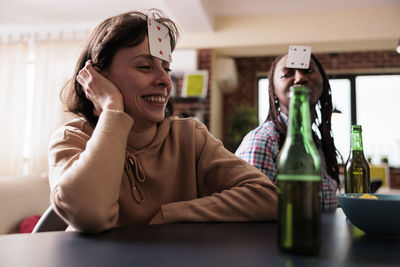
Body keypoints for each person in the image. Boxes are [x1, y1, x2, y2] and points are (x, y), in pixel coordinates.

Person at [48, 10, 277, 233]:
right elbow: (89, 215)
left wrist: (172, 215)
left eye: (166, 68)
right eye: (145, 67)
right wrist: (112, 110)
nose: (165, 80)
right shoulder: (72, 138)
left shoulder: (190, 136)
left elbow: (268, 197)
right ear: (98, 78)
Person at [235, 53, 339, 210]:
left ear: (323, 81)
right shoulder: (263, 141)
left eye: (309, 70)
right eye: (287, 74)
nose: (299, 78)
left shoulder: (316, 143)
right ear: (273, 90)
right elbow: (248, 211)